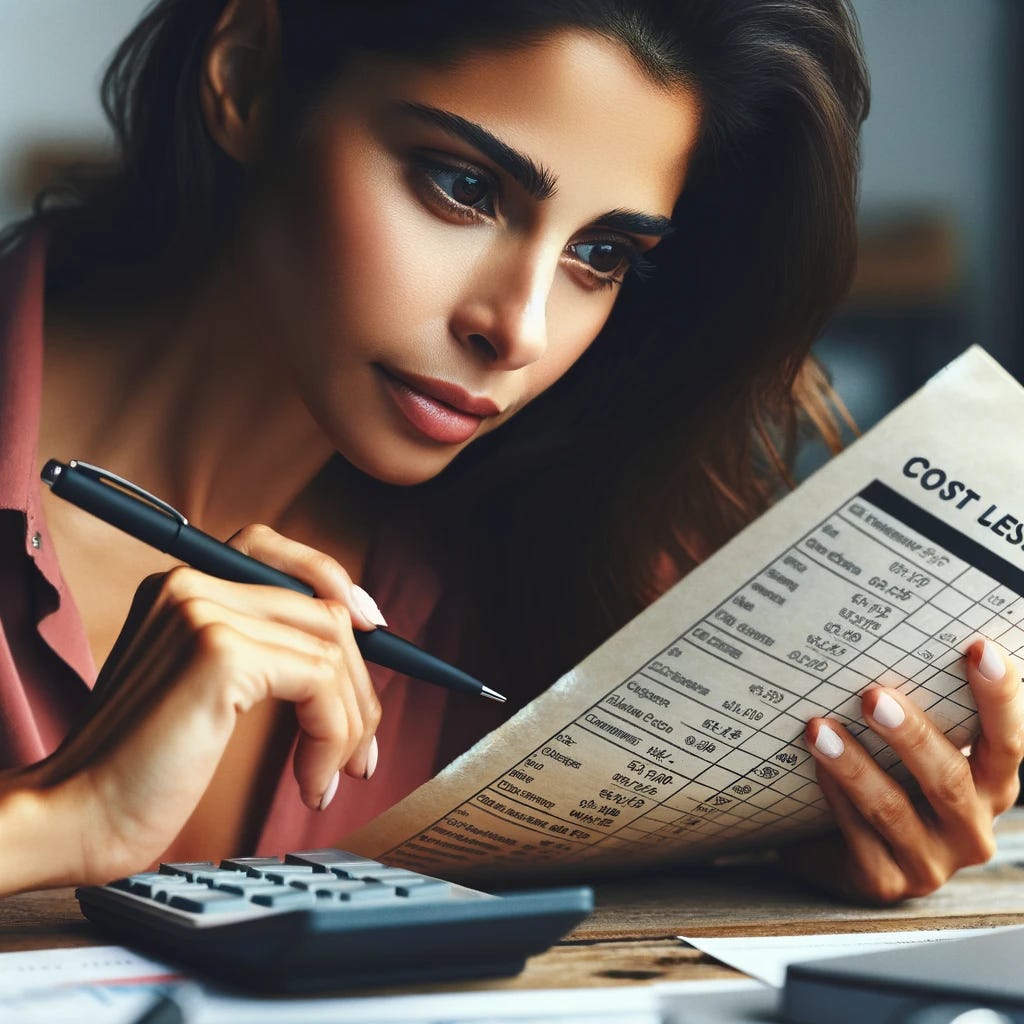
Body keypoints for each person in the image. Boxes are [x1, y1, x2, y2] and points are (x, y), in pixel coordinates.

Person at [0, 0, 1019, 907]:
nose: (520, 329)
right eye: (461, 185)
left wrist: (800, 849)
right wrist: (61, 819)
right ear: (248, 80)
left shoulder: (563, 577)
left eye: (602, 254)